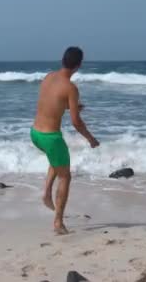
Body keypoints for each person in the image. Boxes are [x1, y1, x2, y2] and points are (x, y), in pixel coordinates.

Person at [30, 46, 99, 235]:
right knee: (65, 176)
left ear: (63, 60)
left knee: (57, 160)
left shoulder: (49, 77)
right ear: (79, 65)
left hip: (35, 133)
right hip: (51, 138)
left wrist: (71, 106)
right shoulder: (71, 88)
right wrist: (91, 139)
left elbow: (50, 102)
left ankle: (46, 193)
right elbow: (76, 123)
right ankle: (58, 222)